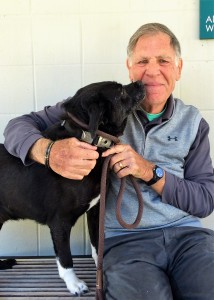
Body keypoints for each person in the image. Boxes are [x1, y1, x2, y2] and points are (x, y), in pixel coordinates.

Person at [3, 23, 214, 300]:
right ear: (129, 67)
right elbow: (16, 127)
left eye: (163, 60)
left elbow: (204, 201)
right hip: (126, 241)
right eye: (142, 61)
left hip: (189, 239)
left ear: (178, 68)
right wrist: (47, 151)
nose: (152, 71)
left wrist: (150, 171)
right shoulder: (98, 106)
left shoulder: (193, 122)